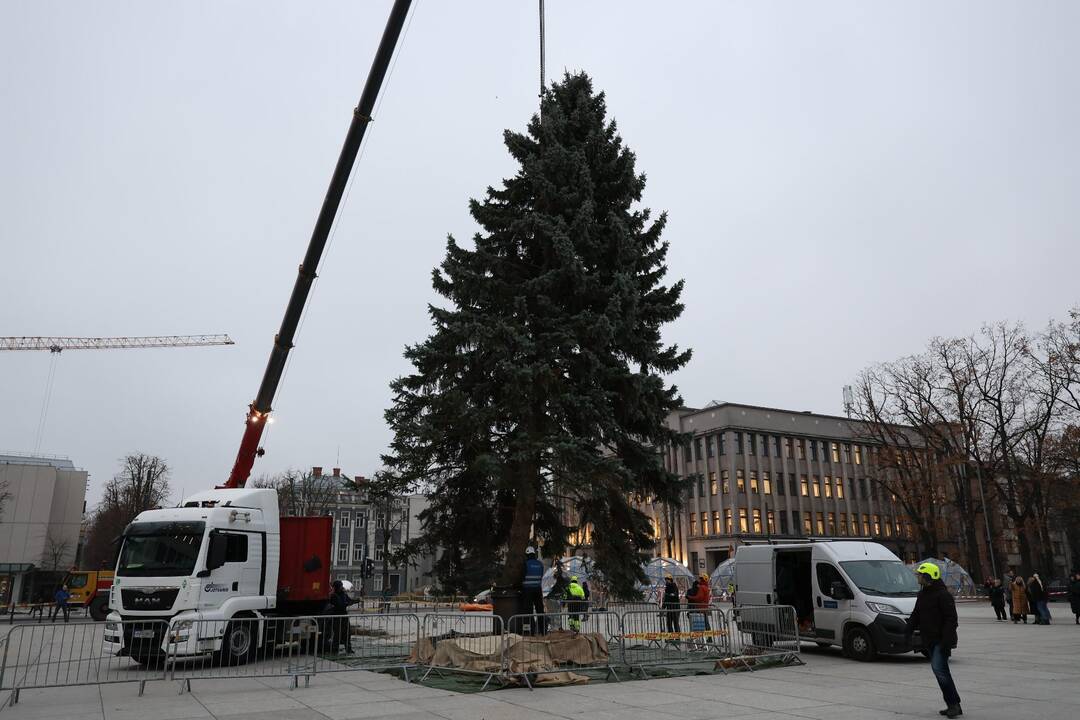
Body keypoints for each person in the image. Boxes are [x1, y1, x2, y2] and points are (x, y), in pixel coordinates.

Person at [905, 562, 961, 718]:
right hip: (929, 639)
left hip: (941, 641)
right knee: (942, 672)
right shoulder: (923, 594)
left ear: (928, 576)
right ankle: (954, 703)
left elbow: (951, 619)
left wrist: (946, 642)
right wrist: (907, 630)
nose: (918, 577)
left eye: (920, 575)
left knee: (939, 670)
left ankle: (953, 705)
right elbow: (916, 614)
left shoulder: (943, 595)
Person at [327, 580, 360, 652]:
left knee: (347, 633)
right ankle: (335, 649)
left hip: (344, 616)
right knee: (337, 634)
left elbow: (349, 600)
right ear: (337, 587)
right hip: (337, 617)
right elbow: (340, 605)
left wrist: (356, 601)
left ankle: (348, 649)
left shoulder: (343, 594)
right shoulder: (333, 596)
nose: (342, 587)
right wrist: (347, 603)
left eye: (342, 585)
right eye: (340, 586)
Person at [522, 546, 546, 635]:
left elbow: (522, 577)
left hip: (527, 590)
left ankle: (529, 632)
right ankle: (543, 631)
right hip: (538, 590)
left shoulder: (526, 564)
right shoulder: (540, 564)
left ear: (527, 554)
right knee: (540, 610)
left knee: (528, 612)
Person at [685, 572, 712, 639]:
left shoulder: (702, 587)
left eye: (700, 579)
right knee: (706, 623)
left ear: (702, 579)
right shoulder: (706, 587)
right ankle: (709, 637)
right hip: (704, 607)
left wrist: (690, 597)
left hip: (700, 607)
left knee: (700, 623)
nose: (699, 580)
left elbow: (699, 597)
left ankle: (700, 638)